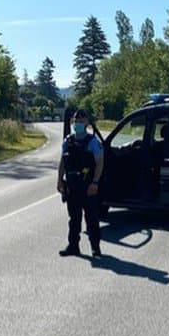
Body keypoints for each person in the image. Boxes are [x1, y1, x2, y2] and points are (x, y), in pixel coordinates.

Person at [57, 110, 104, 257]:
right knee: (74, 219)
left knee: (91, 218)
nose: (78, 123)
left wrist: (95, 182)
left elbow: (99, 163)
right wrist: (60, 180)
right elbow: (63, 162)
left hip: (87, 185)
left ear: (87, 123)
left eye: (81, 120)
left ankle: (95, 248)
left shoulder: (93, 142)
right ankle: (73, 246)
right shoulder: (68, 141)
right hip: (72, 186)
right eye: (76, 120)